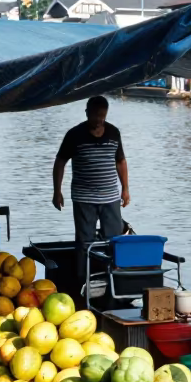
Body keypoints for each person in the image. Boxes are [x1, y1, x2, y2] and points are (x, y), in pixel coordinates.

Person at [52, 95, 130, 282]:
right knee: (84, 241)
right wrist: (57, 191)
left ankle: (113, 279)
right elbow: (60, 162)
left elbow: (121, 161)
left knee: (113, 240)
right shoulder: (74, 135)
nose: (98, 120)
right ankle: (83, 280)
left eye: (102, 116)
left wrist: (125, 189)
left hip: (110, 197)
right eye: (95, 115)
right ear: (87, 113)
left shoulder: (113, 133)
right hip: (83, 198)